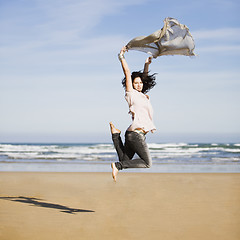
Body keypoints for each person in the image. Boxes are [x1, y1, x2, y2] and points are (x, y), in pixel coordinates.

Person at [110, 46, 157, 181]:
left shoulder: (143, 96)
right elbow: (127, 71)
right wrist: (121, 57)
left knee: (125, 159)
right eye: (136, 83)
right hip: (136, 134)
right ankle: (117, 165)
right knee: (147, 163)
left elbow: (145, 78)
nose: (138, 85)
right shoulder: (131, 94)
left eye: (140, 83)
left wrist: (146, 64)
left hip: (132, 134)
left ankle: (115, 135)